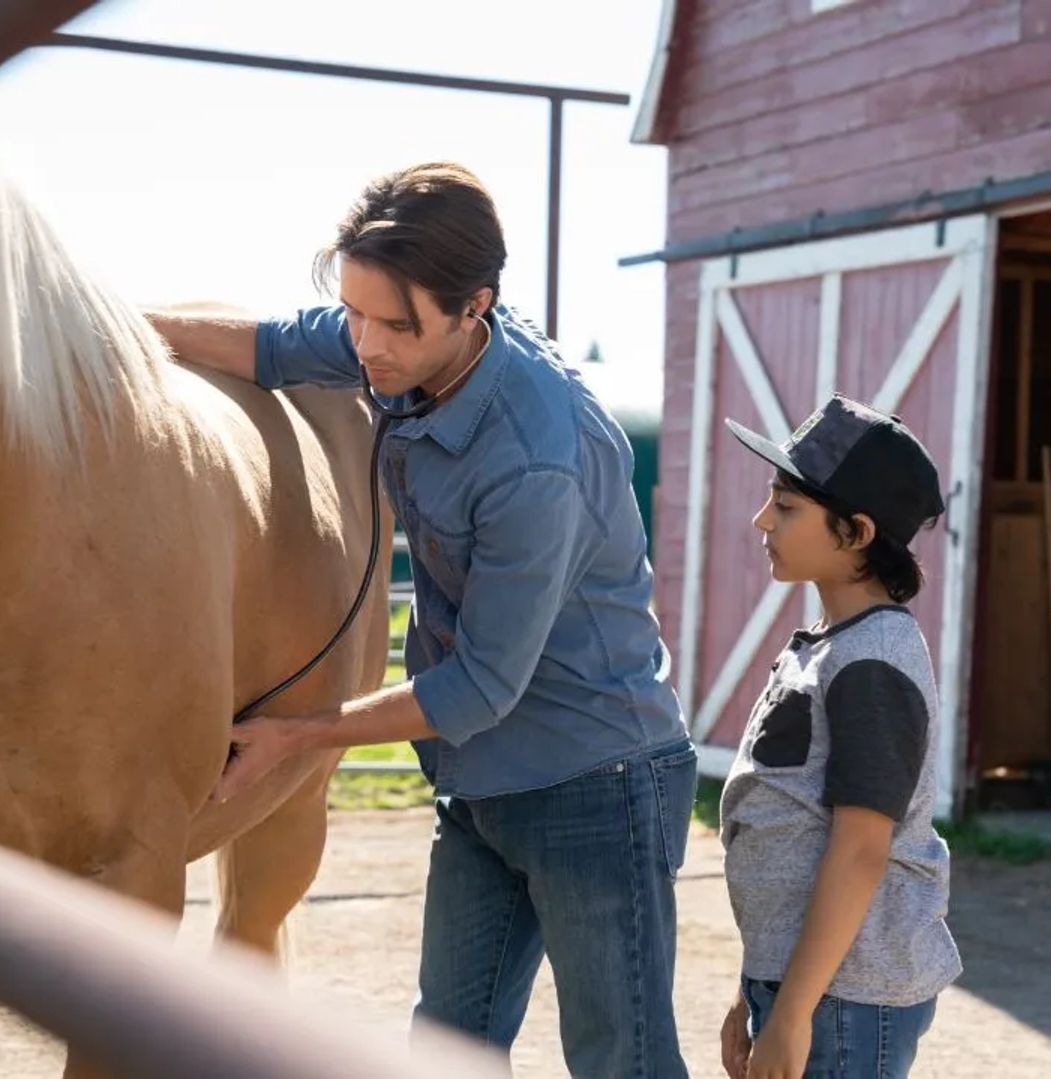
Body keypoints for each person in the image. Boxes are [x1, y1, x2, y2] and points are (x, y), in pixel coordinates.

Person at [151, 161, 698, 1078]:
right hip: (482, 779)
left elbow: (479, 685)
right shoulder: (405, 343)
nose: (364, 345)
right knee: (449, 1049)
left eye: (392, 324)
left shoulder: (534, 458)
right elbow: (276, 346)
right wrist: (119, 326)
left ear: (474, 305)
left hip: (595, 783)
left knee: (622, 1062)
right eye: (354, 311)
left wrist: (300, 736)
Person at [713, 394, 961, 1079]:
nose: (762, 520)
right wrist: (753, 991)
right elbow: (788, 822)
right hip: (806, 985)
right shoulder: (829, 646)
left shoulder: (873, 663)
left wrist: (791, 1014)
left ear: (854, 531)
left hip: (846, 998)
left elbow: (859, 849)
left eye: (787, 508)